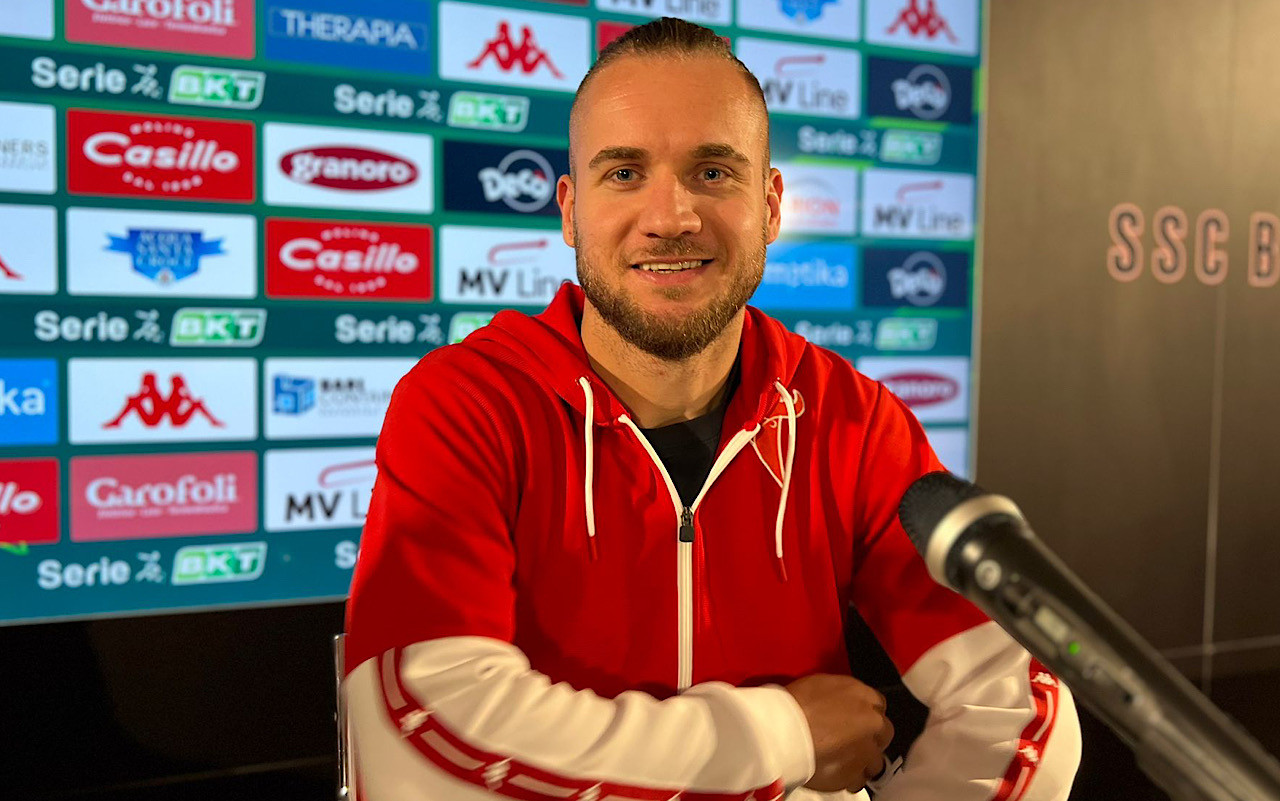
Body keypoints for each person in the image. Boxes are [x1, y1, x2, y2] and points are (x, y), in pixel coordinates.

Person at [344, 17, 1081, 801]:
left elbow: (1021, 699)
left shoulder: (850, 419)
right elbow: (419, 734)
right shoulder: (468, 404)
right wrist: (780, 738)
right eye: (624, 172)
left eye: (713, 171)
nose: (671, 217)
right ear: (569, 209)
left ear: (770, 205)